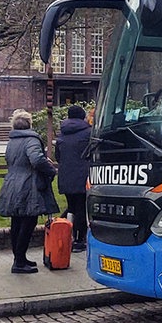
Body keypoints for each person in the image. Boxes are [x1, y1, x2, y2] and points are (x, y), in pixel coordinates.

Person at [0, 109, 58, 274]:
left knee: (16, 222)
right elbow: (36, 160)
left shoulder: (12, 141)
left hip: (12, 183)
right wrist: (51, 169)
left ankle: (19, 258)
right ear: (29, 124)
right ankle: (19, 262)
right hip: (28, 185)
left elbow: (9, 160)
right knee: (28, 222)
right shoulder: (31, 140)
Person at [56, 104, 92, 252]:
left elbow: (58, 156)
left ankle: (65, 236)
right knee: (81, 208)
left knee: (71, 207)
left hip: (65, 176)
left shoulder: (62, 134)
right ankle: (79, 240)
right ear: (83, 116)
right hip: (83, 176)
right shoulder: (89, 132)